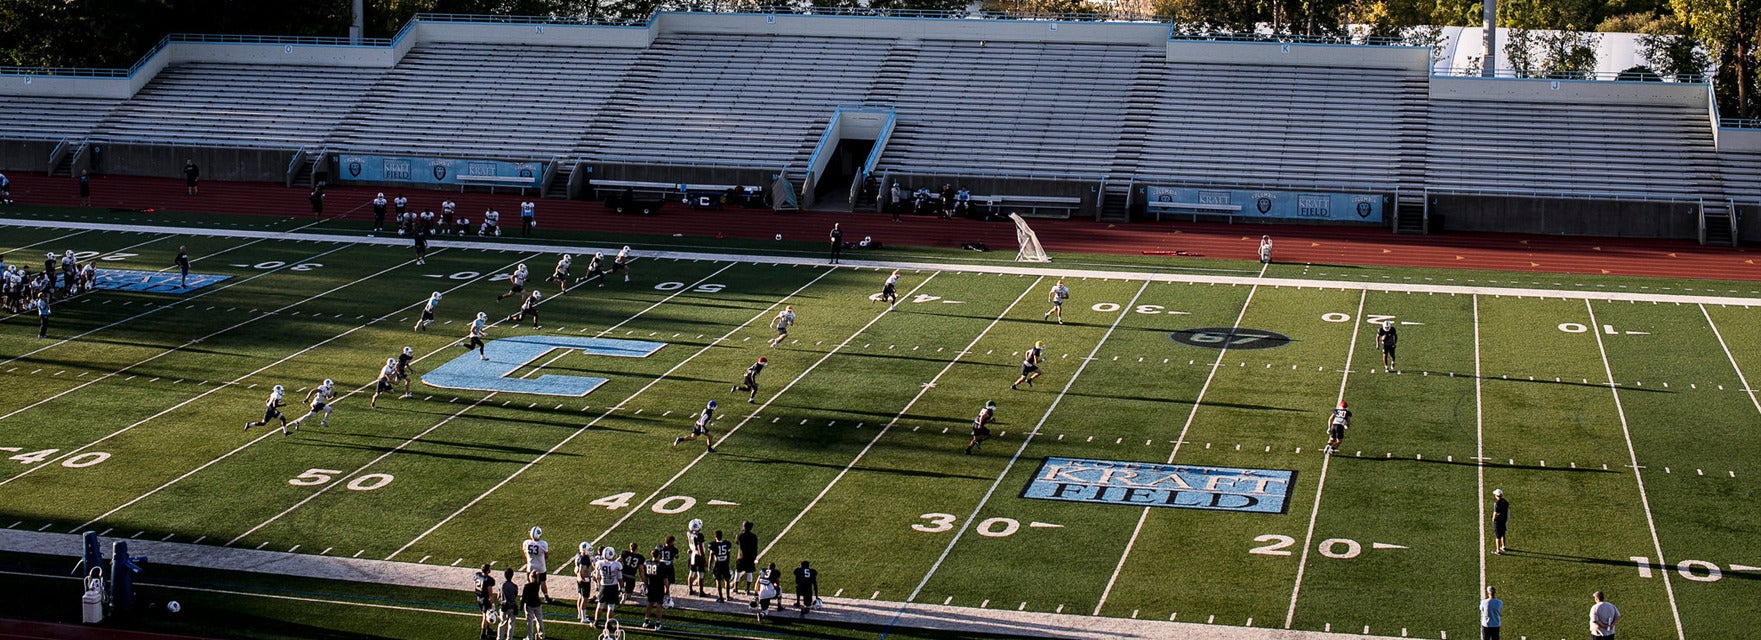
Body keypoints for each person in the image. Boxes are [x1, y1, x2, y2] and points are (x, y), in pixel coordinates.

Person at [592, 546, 622, 628]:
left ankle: (596, 622)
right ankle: (608, 623)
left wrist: (599, 584)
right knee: (611, 606)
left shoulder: (599, 563)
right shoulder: (617, 565)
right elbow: (620, 578)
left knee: (600, 605)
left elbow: (597, 576)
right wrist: (622, 588)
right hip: (613, 587)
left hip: (603, 586)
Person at [523, 526, 552, 604]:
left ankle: (526, 596)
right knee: (542, 581)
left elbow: (525, 553)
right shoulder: (543, 544)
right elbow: (546, 556)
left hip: (530, 565)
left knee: (529, 581)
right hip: (540, 566)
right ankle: (546, 597)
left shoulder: (526, 543)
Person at [640, 552, 667, 630]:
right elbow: (665, 579)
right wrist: (667, 589)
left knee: (650, 603)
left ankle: (646, 621)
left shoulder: (647, 563)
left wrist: (646, 584)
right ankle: (657, 624)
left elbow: (644, 576)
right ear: (658, 555)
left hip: (650, 585)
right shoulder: (661, 565)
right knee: (659, 604)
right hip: (659, 587)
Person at [474, 563, 498, 640]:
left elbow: (475, 585)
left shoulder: (477, 575)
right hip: (485, 599)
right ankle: (483, 634)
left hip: (479, 597)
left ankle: (488, 630)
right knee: (485, 616)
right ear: (488, 570)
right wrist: (492, 603)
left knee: (485, 614)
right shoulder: (488, 580)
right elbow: (490, 594)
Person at [708, 530, 733, 603]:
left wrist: (709, 565)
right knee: (727, 580)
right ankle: (728, 596)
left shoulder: (713, 545)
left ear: (715, 536)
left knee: (718, 580)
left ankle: (721, 597)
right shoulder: (726, 543)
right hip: (725, 563)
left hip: (718, 564)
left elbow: (711, 556)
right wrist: (727, 563)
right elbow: (728, 555)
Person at [734, 521, 758, 595]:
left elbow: (736, 542)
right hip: (750, 557)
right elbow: (755, 547)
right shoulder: (754, 536)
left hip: (741, 556)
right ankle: (747, 589)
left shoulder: (740, 535)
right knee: (749, 572)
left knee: (738, 572)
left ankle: (736, 588)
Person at [520, 570, 545, 640]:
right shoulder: (537, 583)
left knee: (530, 622)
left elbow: (524, 597)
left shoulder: (527, 586)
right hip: (537, 604)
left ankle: (529, 637)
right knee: (539, 620)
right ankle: (541, 634)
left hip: (529, 605)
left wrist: (521, 607)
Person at [685, 518, 707, 596]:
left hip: (692, 554)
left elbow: (690, 545)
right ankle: (701, 592)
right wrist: (704, 559)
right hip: (698, 556)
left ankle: (690, 590)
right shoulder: (699, 535)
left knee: (691, 573)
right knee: (700, 574)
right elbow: (700, 547)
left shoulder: (689, 533)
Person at [497, 569, 520, 640]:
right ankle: (509, 638)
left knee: (502, 623)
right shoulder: (514, 586)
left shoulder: (501, 585)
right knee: (511, 624)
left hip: (504, 607)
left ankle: (499, 638)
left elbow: (498, 596)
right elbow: (515, 595)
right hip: (512, 607)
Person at [1492, 488, 1509, 554]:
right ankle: (1503, 546)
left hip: (1498, 521)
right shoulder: (1505, 502)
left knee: (1497, 536)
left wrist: (1493, 519)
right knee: (1503, 533)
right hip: (1504, 519)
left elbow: (1495, 513)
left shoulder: (1496, 503)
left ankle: (1498, 550)